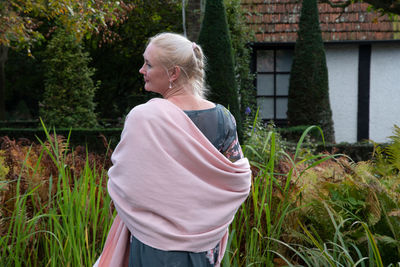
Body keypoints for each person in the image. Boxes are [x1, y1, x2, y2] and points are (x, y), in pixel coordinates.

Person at [94, 32, 251, 267]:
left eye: (148, 64)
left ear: (174, 73)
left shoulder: (145, 118)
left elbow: (123, 182)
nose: (141, 70)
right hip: (204, 247)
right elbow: (238, 181)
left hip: (155, 247)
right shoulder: (223, 118)